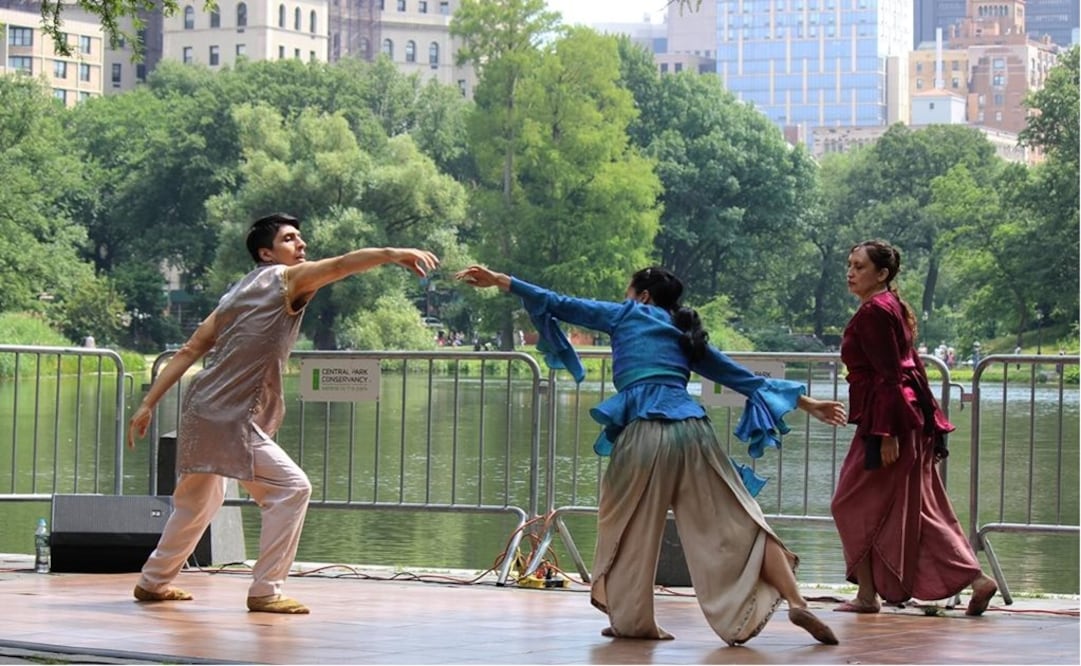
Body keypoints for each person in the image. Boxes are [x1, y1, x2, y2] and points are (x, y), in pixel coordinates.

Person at [455, 264, 845, 646]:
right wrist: (810, 404)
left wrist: (501, 281)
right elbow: (743, 378)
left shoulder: (627, 314)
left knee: (628, 529)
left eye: (628, 291)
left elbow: (558, 302)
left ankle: (635, 621)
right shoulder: (685, 333)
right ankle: (796, 600)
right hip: (693, 433)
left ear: (642, 296)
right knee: (744, 522)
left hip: (643, 431)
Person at [127, 213, 439, 613]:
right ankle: (266, 590)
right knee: (292, 489)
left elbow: (190, 350)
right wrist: (392, 253)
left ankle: (153, 582)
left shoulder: (233, 296)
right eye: (290, 239)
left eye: (299, 237)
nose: (301, 244)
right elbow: (343, 265)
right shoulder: (286, 279)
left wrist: (148, 403)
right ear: (266, 253)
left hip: (201, 408)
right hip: (229, 416)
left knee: (197, 503)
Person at [831, 240, 997, 616]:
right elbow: (906, 370)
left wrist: (886, 433)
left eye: (859, 266)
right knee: (918, 508)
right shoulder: (889, 306)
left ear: (882, 274)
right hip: (904, 417)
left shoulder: (876, 310)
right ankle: (974, 579)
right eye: (850, 264)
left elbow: (891, 375)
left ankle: (868, 596)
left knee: (848, 502)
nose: (850, 272)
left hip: (891, 421)